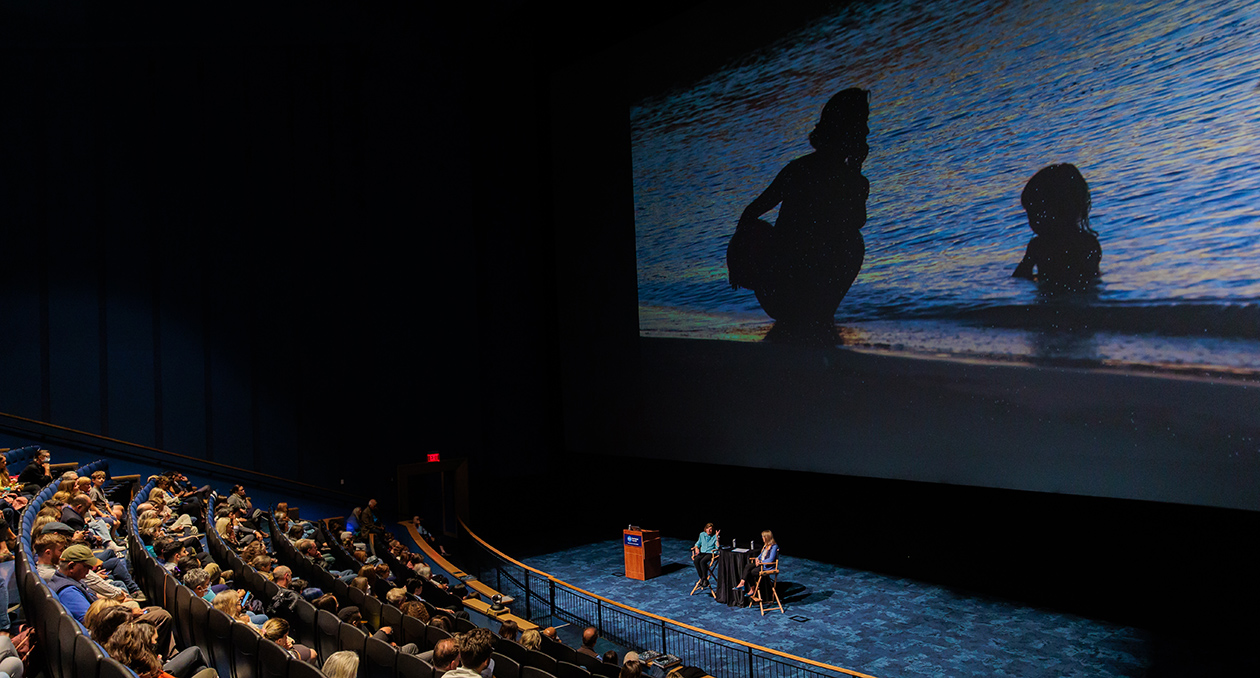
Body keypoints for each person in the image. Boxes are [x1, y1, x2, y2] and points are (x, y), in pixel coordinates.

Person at [728, 88, 871, 327]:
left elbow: (749, 213)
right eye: (862, 123)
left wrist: (739, 267)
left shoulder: (798, 169)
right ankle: (817, 315)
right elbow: (856, 223)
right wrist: (855, 170)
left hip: (776, 295)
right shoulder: (841, 178)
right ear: (847, 128)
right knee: (853, 241)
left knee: (848, 238)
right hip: (791, 292)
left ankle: (815, 315)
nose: (866, 131)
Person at [1012, 163, 1100, 288]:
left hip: (1050, 303)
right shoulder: (1089, 242)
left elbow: (1020, 277)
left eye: (1033, 213)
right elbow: (1094, 280)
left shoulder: (1039, 246)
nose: (1031, 221)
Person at [691, 523, 720, 587]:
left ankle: (704, 579)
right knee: (696, 560)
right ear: (706, 529)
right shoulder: (702, 534)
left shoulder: (714, 536)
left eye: (711, 529)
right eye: (708, 529)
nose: (710, 531)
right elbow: (698, 543)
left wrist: (717, 538)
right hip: (703, 552)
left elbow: (717, 547)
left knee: (702, 562)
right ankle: (703, 579)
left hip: (711, 553)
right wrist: (696, 548)